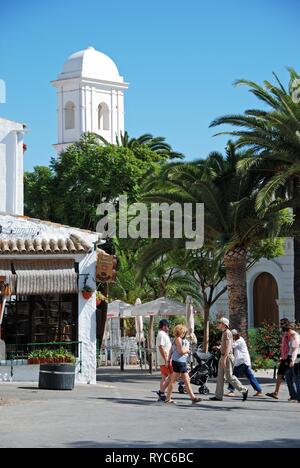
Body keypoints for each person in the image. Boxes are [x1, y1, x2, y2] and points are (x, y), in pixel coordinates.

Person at [210, 318, 248, 402]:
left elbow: (228, 347)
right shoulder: (224, 333)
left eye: (219, 322)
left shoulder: (227, 333)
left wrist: (224, 358)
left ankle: (244, 390)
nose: (218, 324)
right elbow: (225, 346)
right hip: (223, 356)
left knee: (229, 376)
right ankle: (218, 396)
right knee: (220, 377)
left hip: (227, 357)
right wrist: (219, 348)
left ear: (224, 324)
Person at [165, 324, 202, 404]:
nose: (185, 333)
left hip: (179, 362)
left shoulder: (176, 339)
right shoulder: (178, 339)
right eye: (184, 332)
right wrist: (187, 351)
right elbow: (180, 351)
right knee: (177, 381)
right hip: (179, 362)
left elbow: (171, 350)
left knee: (185, 380)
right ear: (181, 332)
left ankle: (192, 398)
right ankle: (169, 398)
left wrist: (168, 361)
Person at [226, 329, 263, 397]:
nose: (231, 337)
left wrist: (227, 341)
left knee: (233, 376)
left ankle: (231, 390)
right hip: (244, 361)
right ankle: (259, 390)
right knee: (250, 376)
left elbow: (231, 346)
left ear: (234, 335)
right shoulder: (238, 340)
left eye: (232, 336)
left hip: (242, 361)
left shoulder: (239, 341)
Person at [266, 318, 291, 400]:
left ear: (286, 324)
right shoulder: (284, 333)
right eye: (280, 323)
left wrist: (288, 357)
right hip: (284, 358)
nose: (281, 325)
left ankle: (294, 394)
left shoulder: (289, 334)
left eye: (282, 323)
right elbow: (283, 347)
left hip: (288, 358)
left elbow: (290, 346)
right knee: (280, 374)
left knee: (291, 376)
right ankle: (276, 392)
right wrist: (281, 356)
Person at [156, 319, 173, 401]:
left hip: (164, 359)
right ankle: (162, 392)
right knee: (172, 376)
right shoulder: (161, 334)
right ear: (164, 326)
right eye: (167, 326)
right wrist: (166, 359)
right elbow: (161, 347)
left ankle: (161, 394)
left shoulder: (162, 334)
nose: (168, 328)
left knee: (164, 377)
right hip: (165, 359)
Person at [285, 323, 300, 403]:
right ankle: (293, 395)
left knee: (297, 378)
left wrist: (292, 361)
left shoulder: (295, 336)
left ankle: (298, 397)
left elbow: (295, 350)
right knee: (288, 377)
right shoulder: (291, 336)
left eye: (287, 331)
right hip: (291, 358)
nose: (286, 333)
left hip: (296, 358)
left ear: (290, 330)